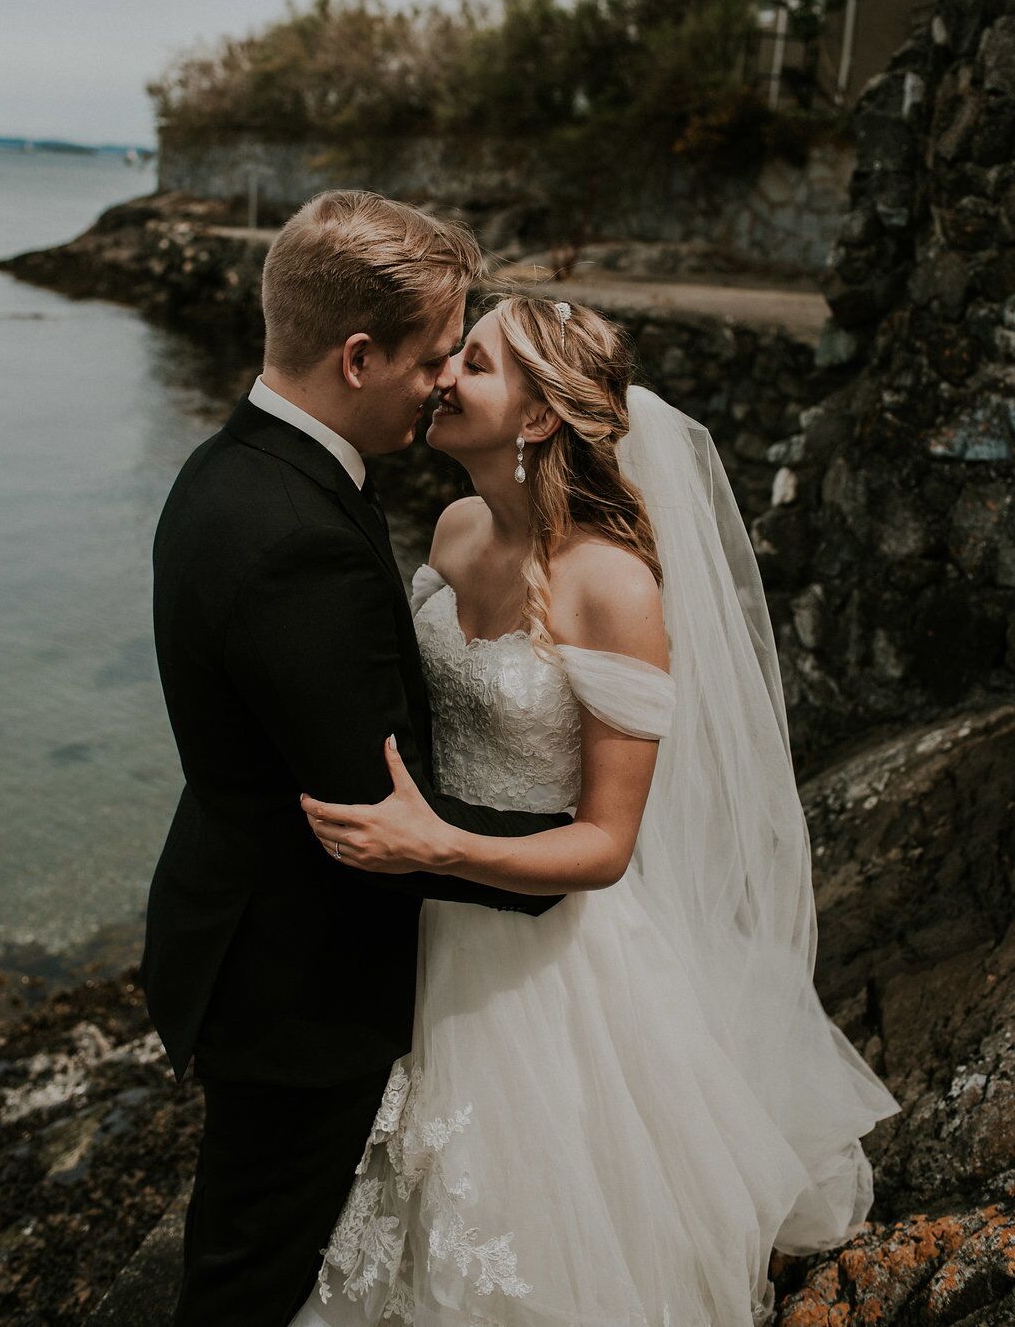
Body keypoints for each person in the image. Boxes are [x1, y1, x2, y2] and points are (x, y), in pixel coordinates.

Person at [291, 294, 903, 1327]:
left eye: (472, 364)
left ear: (535, 418)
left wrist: (432, 842)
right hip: (420, 926)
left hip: (541, 952)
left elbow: (606, 844)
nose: (442, 375)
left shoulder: (613, 583)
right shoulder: (450, 526)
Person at [140, 191, 578, 1327]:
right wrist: (591, 857)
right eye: (436, 354)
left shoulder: (227, 469)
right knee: (250, 1277)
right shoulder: (291, 536)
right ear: (357, 355)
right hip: (300, 981)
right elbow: (372, 814)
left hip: (242, 923)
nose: (445, 377)